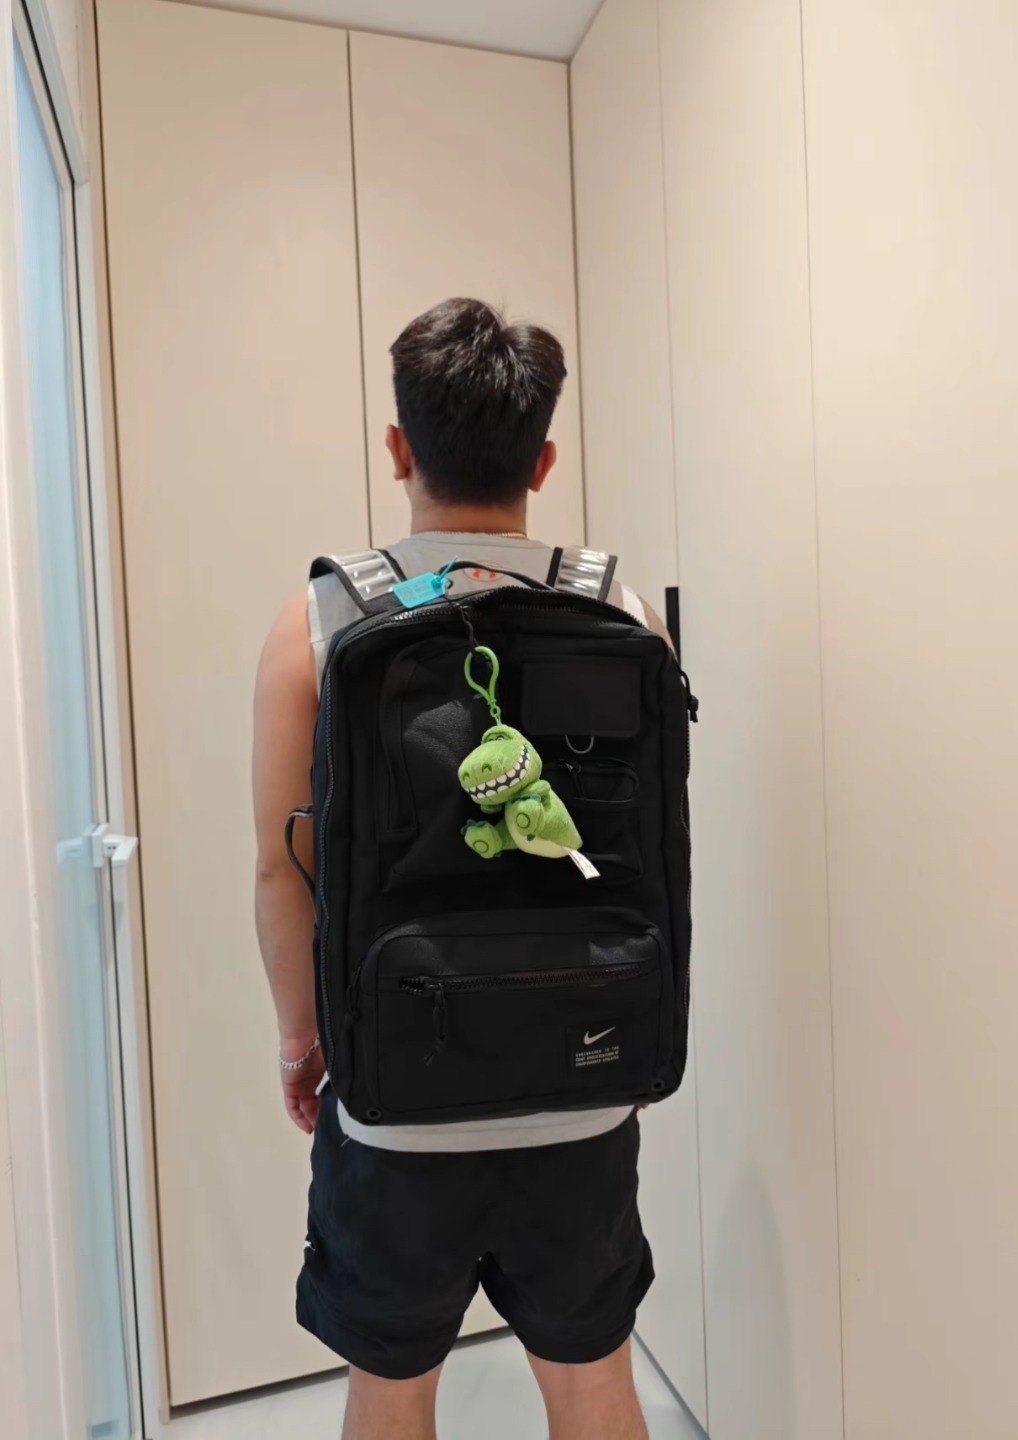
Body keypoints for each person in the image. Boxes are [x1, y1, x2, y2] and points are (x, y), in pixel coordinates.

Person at [253, 298, 671, 1440]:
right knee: (594, 1387)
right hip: (582, 1085)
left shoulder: (320, 622)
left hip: (396, 1102)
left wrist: (302, 1041)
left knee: (391, 1395)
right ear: (543, 459)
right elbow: (654, 862)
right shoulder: (620, 609)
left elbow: (282, 871)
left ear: (399, 449)